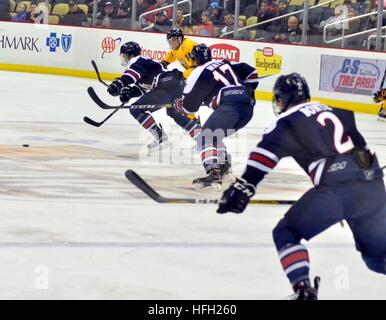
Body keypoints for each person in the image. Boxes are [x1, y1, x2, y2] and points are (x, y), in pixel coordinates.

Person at [217, 73, 386, 300]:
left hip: (336, 190)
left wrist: (245, 186)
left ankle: (303, 291)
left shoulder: (286, 121)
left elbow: (265, 154)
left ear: (282, 99)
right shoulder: (337, 111)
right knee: (377, 259)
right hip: (372, 185)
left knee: (286, 233)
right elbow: (361, 150)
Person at [173, 44, 259, 188]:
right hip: (248, 108)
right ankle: (223, 167)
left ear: (194, 59)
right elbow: (252, 72)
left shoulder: (198, 72)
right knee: (214, 135)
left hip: (231, 107)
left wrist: (179, 105)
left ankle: (214, 174)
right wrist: (247, 91)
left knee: (205, 136)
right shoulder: (223, 63)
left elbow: (189, 108)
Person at [106, 42, 202, 151]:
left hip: (166, 85)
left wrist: (119, 83)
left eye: (124, 56)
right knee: (175, 114)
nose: (123, 59)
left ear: (131, 55)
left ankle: (160, 137)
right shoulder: (145, 64)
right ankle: (203, 140)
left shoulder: (137, 60)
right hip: (175, 84)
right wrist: (129, 93)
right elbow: (142, 88)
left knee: (136, 110)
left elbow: (131, 75)